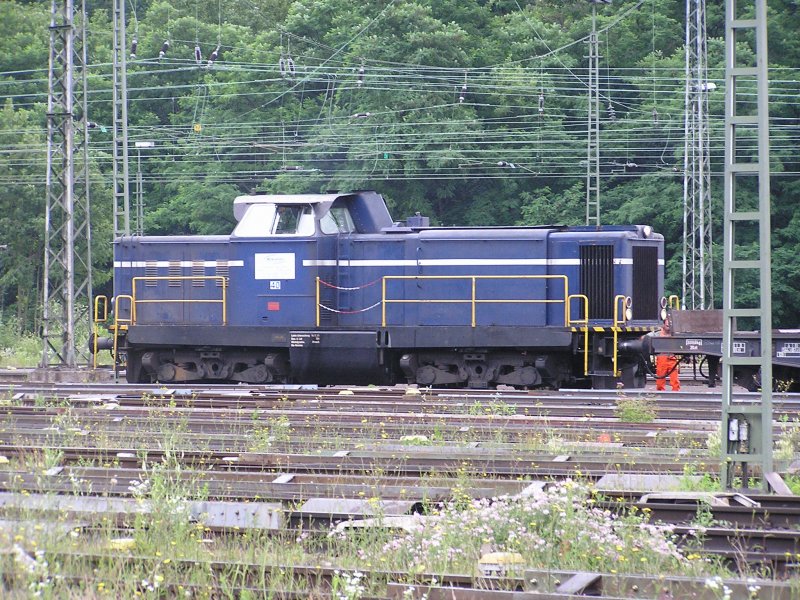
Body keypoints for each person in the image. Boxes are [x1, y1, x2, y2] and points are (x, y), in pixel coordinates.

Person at [655, 320, 680, 391]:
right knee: (660, 380)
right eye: (667, 325)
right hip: (661, 358)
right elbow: (646, 337)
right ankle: (661, 395)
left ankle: (676, 394)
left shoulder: (674, 333)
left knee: (675, 380)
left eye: (670, 326)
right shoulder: (657, 333)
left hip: (672, 358)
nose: (669, 327)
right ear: (663, 325)